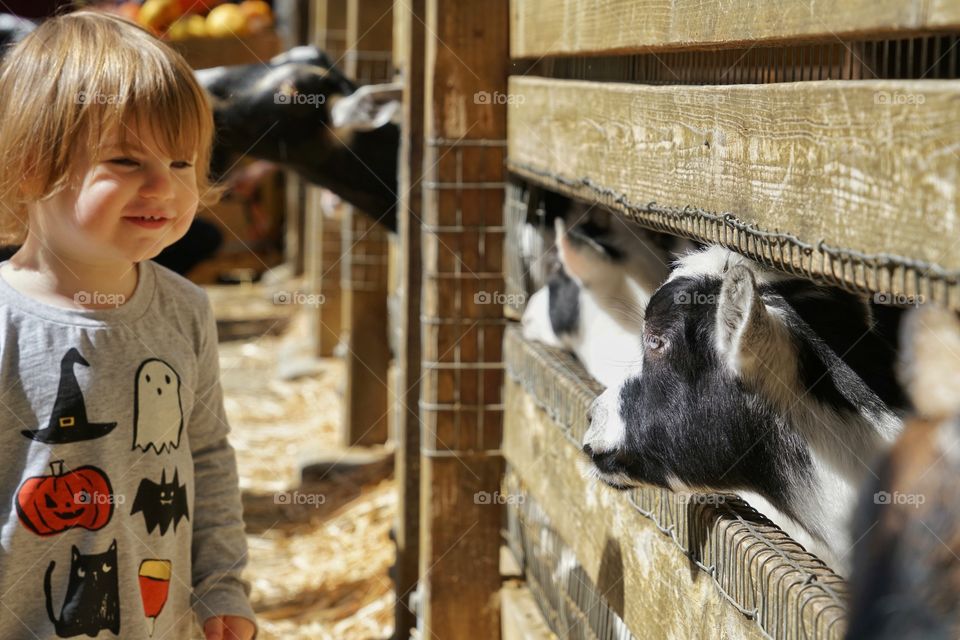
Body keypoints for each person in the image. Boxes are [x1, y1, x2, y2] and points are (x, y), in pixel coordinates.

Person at [0, 11, 256, 640]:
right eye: (124, 159)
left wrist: (221, 585)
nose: (162, 187)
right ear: (32, 167)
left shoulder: (184, 309)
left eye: (180, 163)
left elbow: (207, 456)